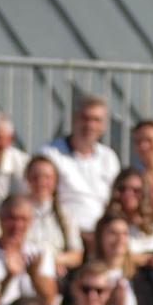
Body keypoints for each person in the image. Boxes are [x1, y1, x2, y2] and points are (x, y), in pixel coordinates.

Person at [41, 93, 121, 241]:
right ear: (73, 119)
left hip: (100, 234)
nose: (90, 125)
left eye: (96, 120)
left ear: (104, 125)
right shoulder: (50, 153)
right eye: (85, 118)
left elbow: (115, 201)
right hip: (61, 231)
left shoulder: (109, 157)